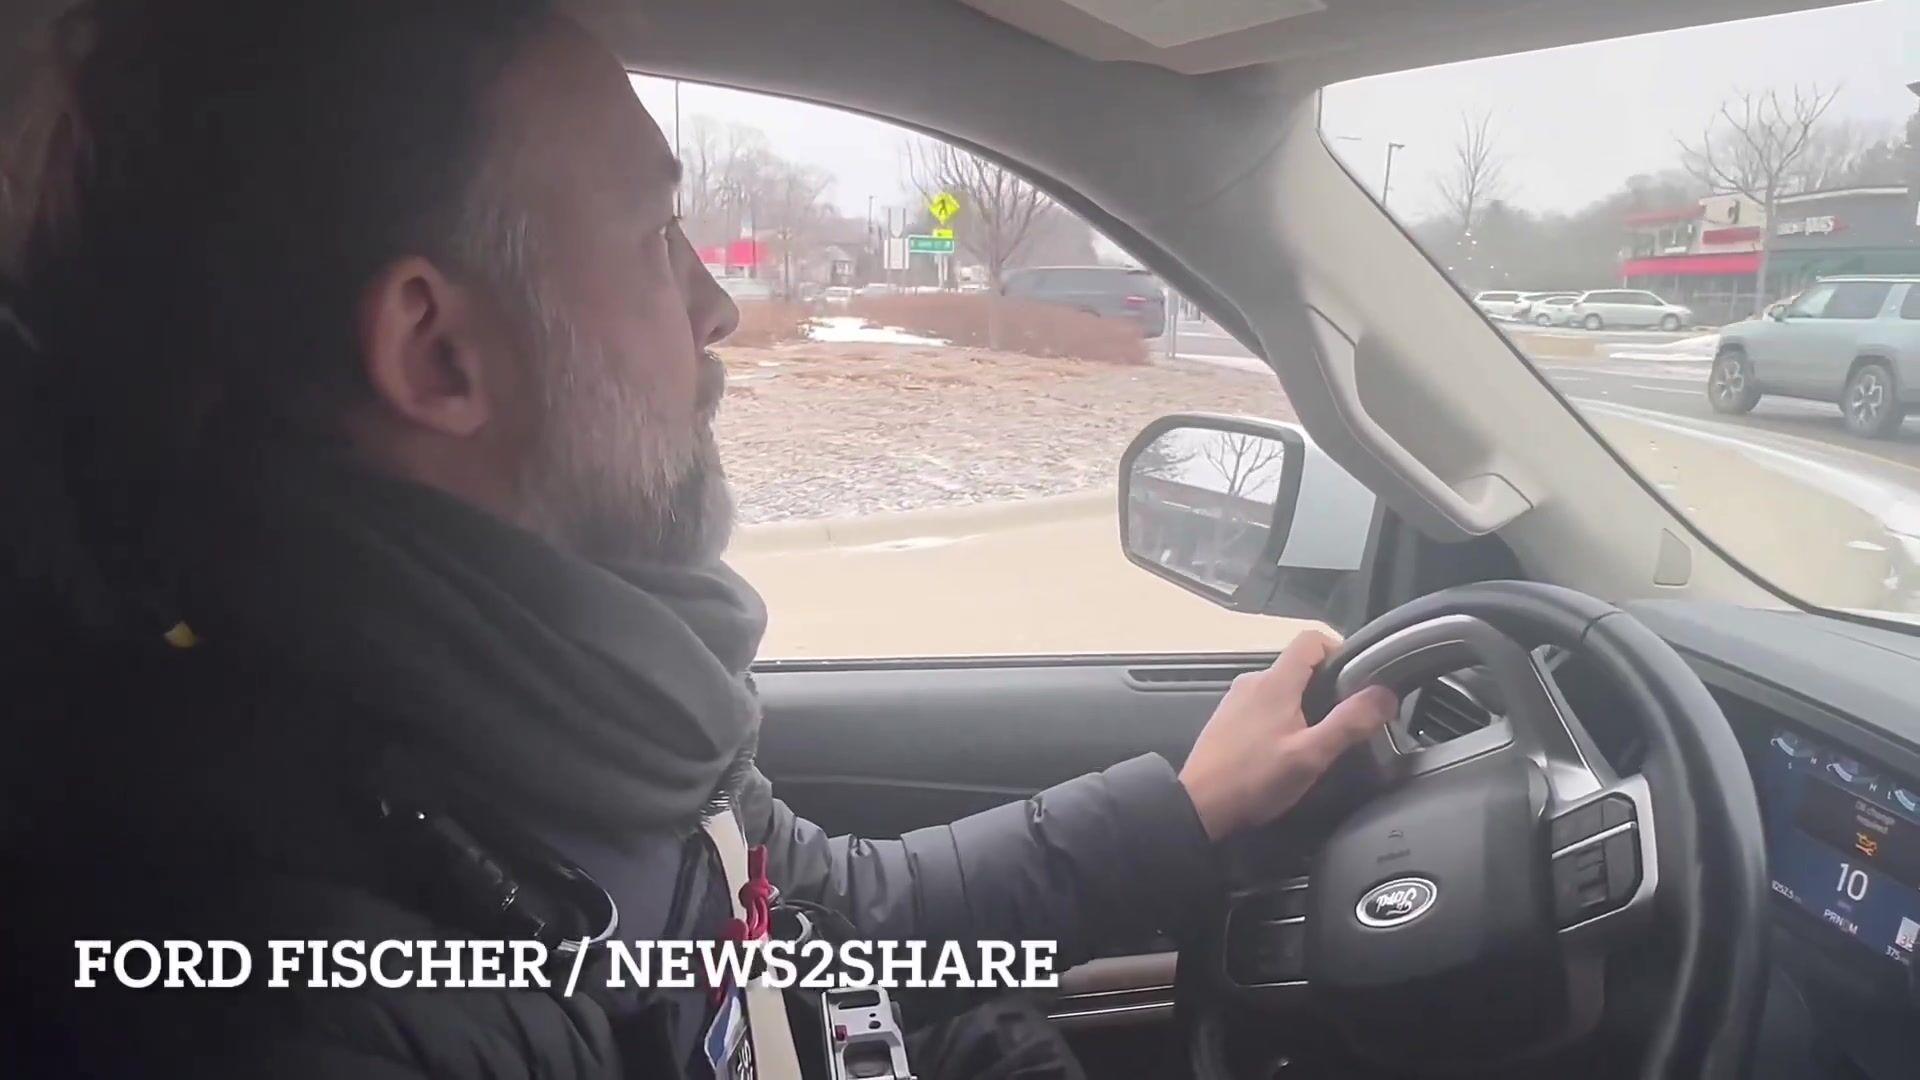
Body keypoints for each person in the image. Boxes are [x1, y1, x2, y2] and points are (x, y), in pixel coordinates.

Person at [0, 2, 1397, 1077]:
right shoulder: (298, 992)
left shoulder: (564, 715)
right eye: (654, 233)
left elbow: (827, 925)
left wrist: (1183, 810)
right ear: (437, 352)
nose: (714, 308)